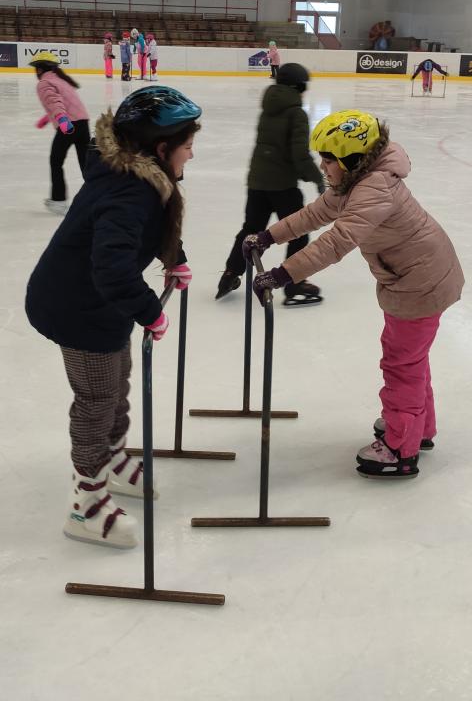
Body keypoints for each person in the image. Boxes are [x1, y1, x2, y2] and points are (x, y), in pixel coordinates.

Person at [25, 86, 201, 549]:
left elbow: (147, 230)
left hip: (100, 303)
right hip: (76, 306)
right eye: (187, 145)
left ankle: (114, 459)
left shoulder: (134, 177)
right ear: (160, 149)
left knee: (116, 383)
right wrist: (150, 312)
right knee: (97, 398)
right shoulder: (130, 191)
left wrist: (174, 257)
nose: (192, 153)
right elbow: (112, 267)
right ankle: (85, 502)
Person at [246, 109, 463, 479]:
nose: (322, 165)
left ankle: (400, 448)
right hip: (417, 275)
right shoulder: (357, 180)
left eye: (328, 159)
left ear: (350, 160)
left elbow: (338, 241)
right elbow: (315, 214)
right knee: (411, 360)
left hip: (419, 283)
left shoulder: (373, 189)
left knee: (402, 365)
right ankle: (417, 428)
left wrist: (284, 274)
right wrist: (269, 236)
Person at [216, 63, 324, 306]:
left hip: (257, 182)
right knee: (298, 232)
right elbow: (299, 155)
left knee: (250, 230)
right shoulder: (296, 113)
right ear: (299, 86)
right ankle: (295, 282)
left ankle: (230, 274)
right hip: (283, 185)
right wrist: (317, 177)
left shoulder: (268, 108)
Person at [31, 51, 90, 217]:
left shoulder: (44, 83)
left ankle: (58, 201)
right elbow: (61, 103)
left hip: (69, 125)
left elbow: (56, 104)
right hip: (82, 122)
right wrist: (46, 119)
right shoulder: (61, 80)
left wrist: (64, 123)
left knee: (56, 161)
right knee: (86, 164)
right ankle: (100, 196)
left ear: (39, 69)